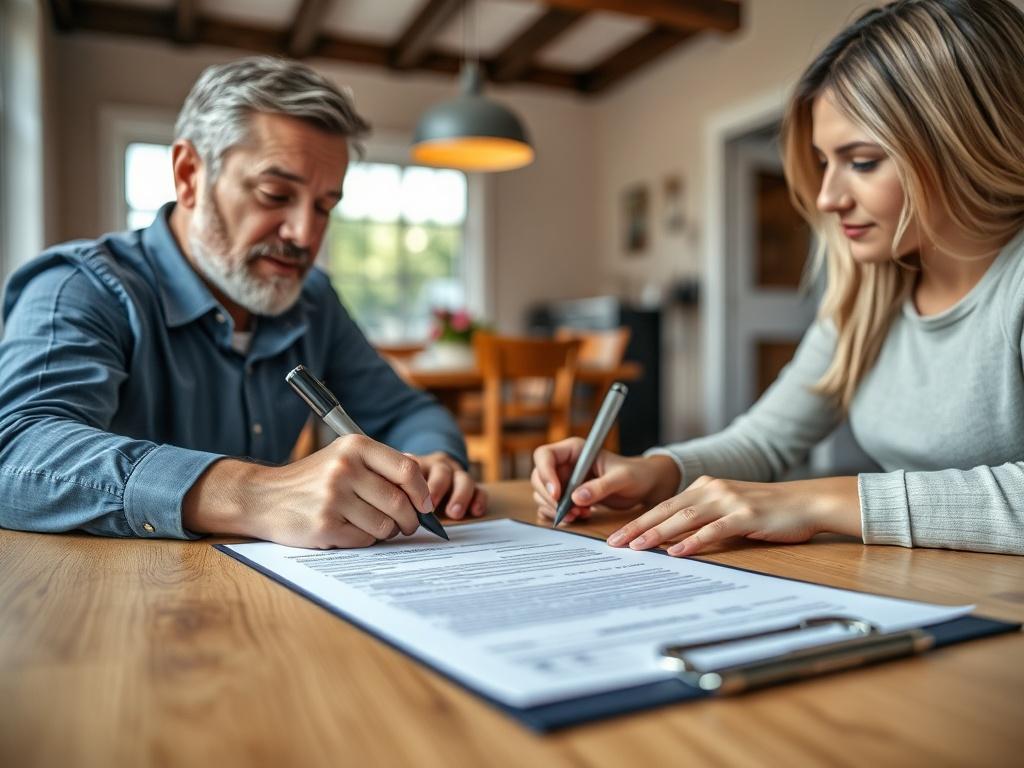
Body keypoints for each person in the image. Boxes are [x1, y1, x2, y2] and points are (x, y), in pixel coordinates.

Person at [533, 0, 1024, 557]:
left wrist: (817, 502)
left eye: (861, 161)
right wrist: (654, 470)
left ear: (967, 141)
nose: (827, 198)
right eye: (823, 163)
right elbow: (766, 441)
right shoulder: (869, 298)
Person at [0, 57, 486, 549]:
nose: (304, 234)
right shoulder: (80, 287)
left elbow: (406, 412)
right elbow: (15, 451)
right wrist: (256, 494)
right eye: (275, 194)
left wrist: (430, 462)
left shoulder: (314, 300)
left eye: (324, 207)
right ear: (190, 175)